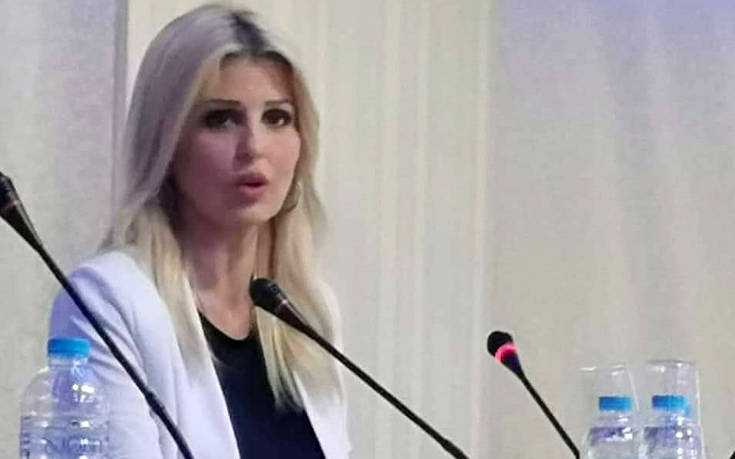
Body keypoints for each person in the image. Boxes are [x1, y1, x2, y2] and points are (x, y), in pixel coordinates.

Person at [49, 4, 350, 458]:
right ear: (166, 142)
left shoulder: (307, 310)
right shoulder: (109, 300)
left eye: (277, 118)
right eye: (221, 119)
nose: (254, 147)